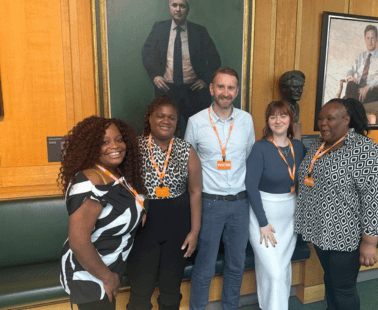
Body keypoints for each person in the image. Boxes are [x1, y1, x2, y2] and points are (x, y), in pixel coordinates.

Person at [294, 98, 378, 310]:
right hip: (320, 232)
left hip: (346, 235)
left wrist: (370, 242)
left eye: (330, 118)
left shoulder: (365, 149)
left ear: (346, 119)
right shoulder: (320, 144)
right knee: (331, 281)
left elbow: (375, 198)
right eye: (320, 118)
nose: (323, 123)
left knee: (343, 288)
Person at [58, 116, 147, 310]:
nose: (114, 146)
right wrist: (108, 277)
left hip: (110, 267)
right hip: (91, 274)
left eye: (118, 139)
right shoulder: (90, 183)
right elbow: (79, 241)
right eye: (104, 142)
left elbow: (126, 204)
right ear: (90, 147)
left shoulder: (114, 173)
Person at [185, 67, 255, 310]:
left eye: (231, 87)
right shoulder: (196, 122)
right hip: (210, 204)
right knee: (204, 267)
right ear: (212, 89)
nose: (226, 92)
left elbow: (248, 157)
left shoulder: (246, 120)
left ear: (236, 91)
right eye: (221, 87)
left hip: (240, 203)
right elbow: (189, 164)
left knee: (236, 266)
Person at [126, 95, 202, 310]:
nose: (165, 121)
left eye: (171, 117)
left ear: (177, 122)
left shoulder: (186, 150)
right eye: (160, 115)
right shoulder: (133, 147)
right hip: (143, 226)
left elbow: (196, 192)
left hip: (178, 227)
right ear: (149, 118)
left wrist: (194, 232)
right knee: (140, 292)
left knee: (171, 293)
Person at [245, 100, 307, 310]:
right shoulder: (260, 148)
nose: (278, 120)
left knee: (282, 268)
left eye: (283, 116)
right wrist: (262, 222)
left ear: (291, 120)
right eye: (273, 117)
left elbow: (306, 180)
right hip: (262, 217)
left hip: (289, 216)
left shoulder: (298, 147)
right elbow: (251, 187)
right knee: (274, 271)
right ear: (267, 121)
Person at [142, 0, 221, 133]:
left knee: (199, 132)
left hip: (193, 91)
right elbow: (147, 52)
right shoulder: (159, 28)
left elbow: (215, 58)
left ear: (187, 9)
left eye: (182, 6)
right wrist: (155, 75)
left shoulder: (199, 31)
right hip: (167, 89)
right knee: (166, 132)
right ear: (169, 7)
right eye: (174, 5)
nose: (178, 9)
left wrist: (206, 80)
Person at [345, 25, 378, 104]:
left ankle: (350, 107)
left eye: (372, 38)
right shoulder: (361, 56)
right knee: (350, 84)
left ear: (376, 39)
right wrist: (350, 78)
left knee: (349, 99)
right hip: (358, 88)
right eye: (368, 38)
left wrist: (368, 87)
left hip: (371, 89)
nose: (370, 41)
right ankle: (353, 106)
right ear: (365, 39)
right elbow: (351, 70)